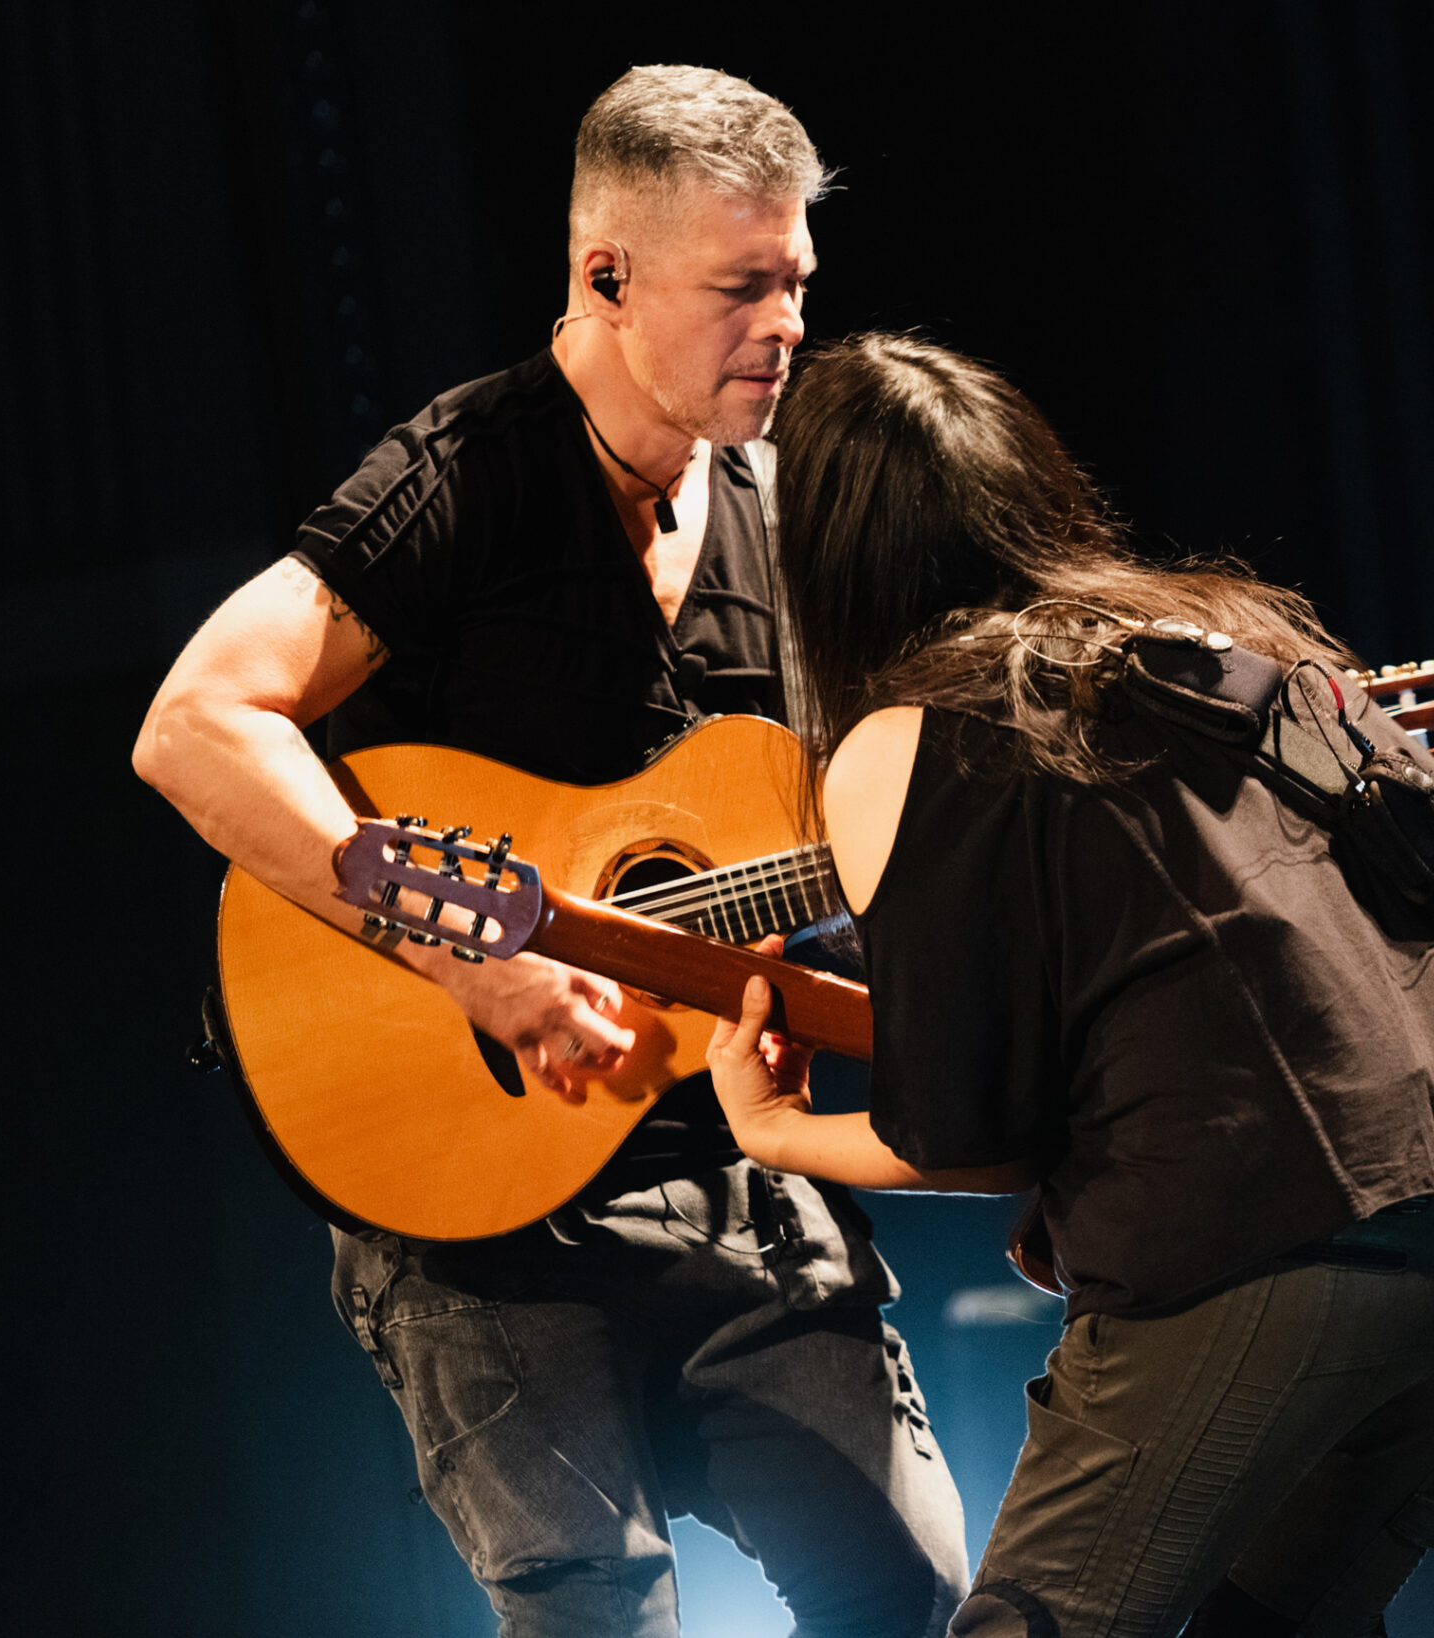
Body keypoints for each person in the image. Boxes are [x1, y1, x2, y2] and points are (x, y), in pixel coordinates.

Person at [134, 71, 967, 1638]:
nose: (786, 326)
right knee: (601, 1618)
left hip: (732, 1171)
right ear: (606, 277)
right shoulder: (467, 473)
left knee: (913, 1588)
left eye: (797, 282)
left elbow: (843, 852)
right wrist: (481, 959)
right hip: (475, 1210)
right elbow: (194, 724)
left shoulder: (788, 522)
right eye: (741, 288)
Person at [704, 333, 1434, 1638]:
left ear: (820, 557)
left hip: (1282, 1246)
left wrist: (771, 1125)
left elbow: (970, 1137)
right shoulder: (1239, 637)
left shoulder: (903, 736)